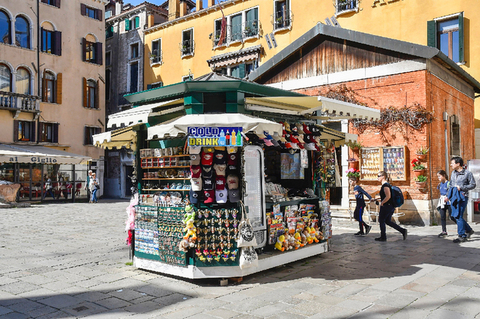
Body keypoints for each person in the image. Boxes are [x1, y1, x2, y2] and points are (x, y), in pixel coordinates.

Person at [446, 157, 476, 243]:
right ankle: (469, 230)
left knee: (458, 216)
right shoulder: (453, 173)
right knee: (453, 216)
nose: (451, 165)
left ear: (458, 164)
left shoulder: (467, 173)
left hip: (462, 197)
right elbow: (451, 185)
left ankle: (462, 235)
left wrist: (462, 188)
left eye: (452, 163)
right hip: (454, 197)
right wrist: (447, 196)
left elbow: (473, 185)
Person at [375, 171, 407, 241]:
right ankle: (402, 231)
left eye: (378, 176)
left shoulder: (385, 185)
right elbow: (386, 196)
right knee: (387, 221)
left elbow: (388, 196)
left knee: (381, 220)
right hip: (390, 206)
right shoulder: (387, 185)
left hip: (386, 206)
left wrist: (382, 203)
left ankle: (383, 237)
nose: (377, 177)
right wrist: (378, 199)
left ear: (383, 176)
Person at [436, 170, 452, 238]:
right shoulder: (440, 184)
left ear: (444, 175)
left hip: (448, 202)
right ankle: (444, 231)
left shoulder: (448, 183)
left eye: (439, 176)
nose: (438, 178)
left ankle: (462, 229)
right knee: (442, 217)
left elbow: (450, 192)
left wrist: (448, 197)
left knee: (452, 216)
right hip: (442, 201)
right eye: (438, 176)